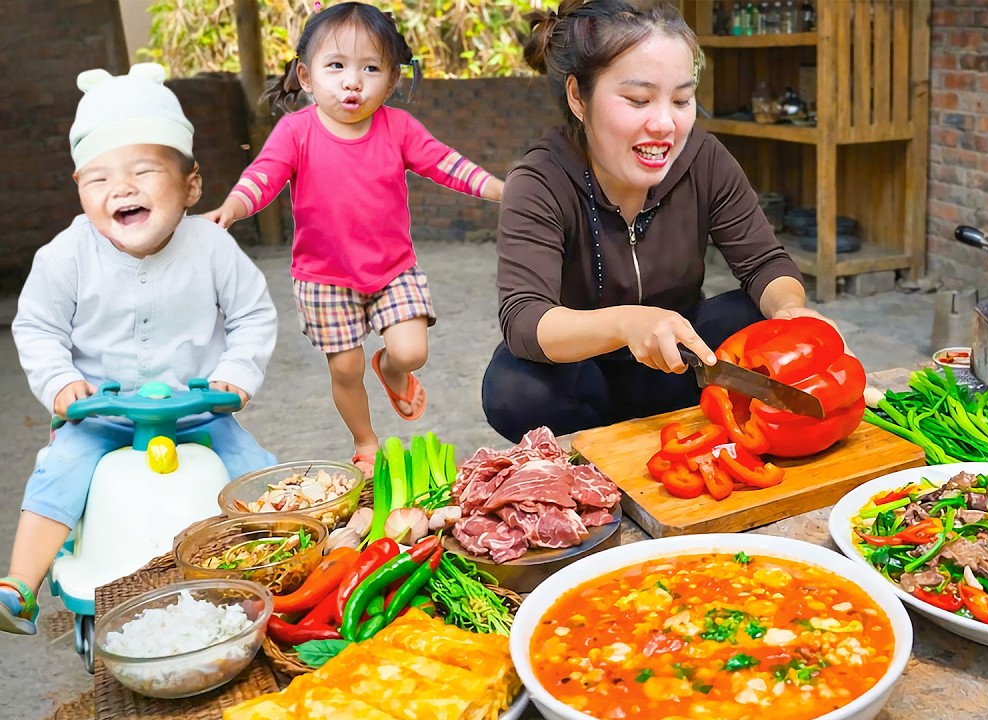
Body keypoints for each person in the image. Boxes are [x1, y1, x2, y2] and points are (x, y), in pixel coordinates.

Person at [1, 63, 278, 635]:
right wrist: (60, 383)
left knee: (254, 472)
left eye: (143, 171)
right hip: (100, 414)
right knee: (62, 469)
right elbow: (37, 328)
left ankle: (283, 563)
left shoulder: (213, 247)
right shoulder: (66, 256)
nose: (120, 189)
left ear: (192, 186)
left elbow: (252, 313)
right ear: (79, 189)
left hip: (197, 409)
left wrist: (234, 376)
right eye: (97, 179)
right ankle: (20, 586)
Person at [483, 0, 840, 442]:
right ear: (579, 97)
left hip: (682, 364)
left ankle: (703, 416)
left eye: (682, 99)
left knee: (752, 314)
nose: (665, 123)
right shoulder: (540, 180)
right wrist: (628, 323)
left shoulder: (704, 159)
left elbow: (764, 262)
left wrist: (789, 310)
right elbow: (524, 318)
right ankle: (601, 454)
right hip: (585, 378)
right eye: (638, 99)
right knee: (514, 385)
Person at [204, 2, 505, 477]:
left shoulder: (398, 127)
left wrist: (499, 189)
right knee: (345, 369)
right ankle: (365, 442)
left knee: (412, 350)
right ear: (306, 76)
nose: (352, 81)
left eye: (370, 68)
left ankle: (392, 370)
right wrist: (234, 206)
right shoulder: (296, 132)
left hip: (392, 270)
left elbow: (446, 163)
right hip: (323, 280)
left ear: (391, 80)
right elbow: (262, 177)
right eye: (336, 66)